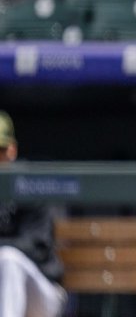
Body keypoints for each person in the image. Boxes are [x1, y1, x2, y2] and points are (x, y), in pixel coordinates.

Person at [0, 111, 66, 317]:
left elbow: (36, 244)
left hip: (41, 291)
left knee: (9, 260)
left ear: (12, 149)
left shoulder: (30, 183)